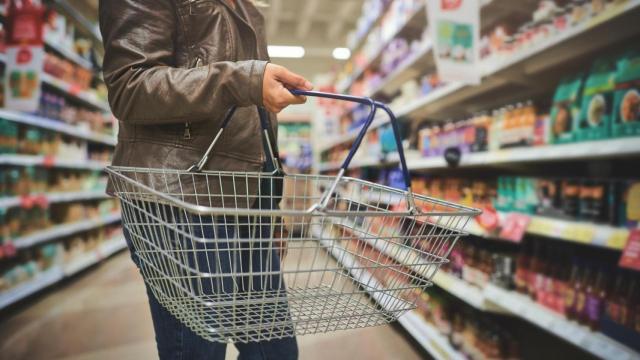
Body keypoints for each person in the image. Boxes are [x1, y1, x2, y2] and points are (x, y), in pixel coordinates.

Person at [99, 0, 312, 359]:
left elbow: (257, 117)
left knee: (277, 353)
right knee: (197, 353)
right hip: (180, 198)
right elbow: (129, 87)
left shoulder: (248, 8)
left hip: (248, 200)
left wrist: (269, 201)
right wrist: (242, 79)